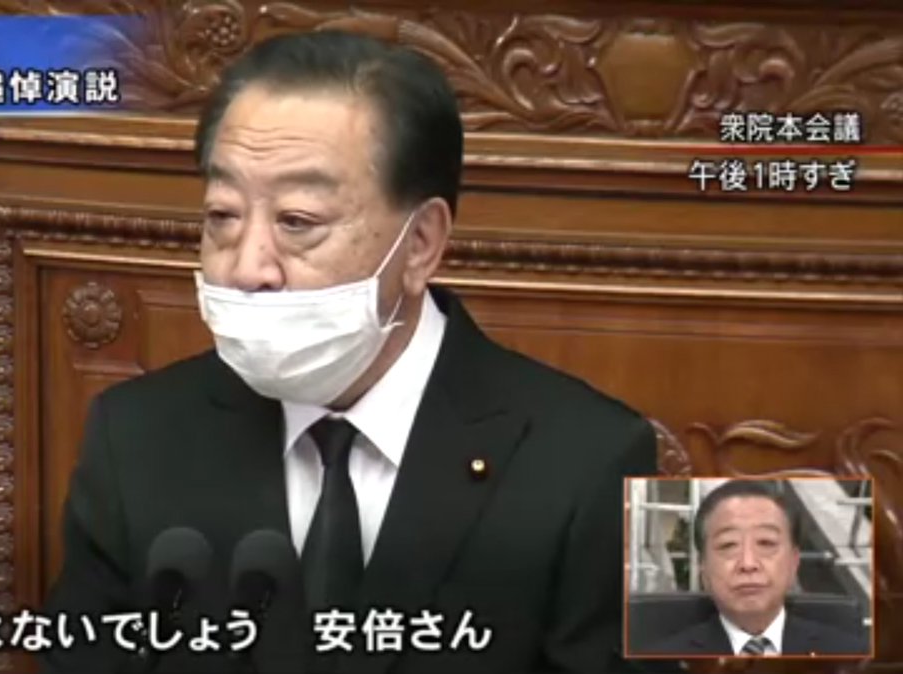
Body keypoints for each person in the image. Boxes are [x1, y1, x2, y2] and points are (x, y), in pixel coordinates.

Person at [40, 30, 658, 674]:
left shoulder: (606, 459)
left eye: (297, 222)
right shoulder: (133, 437)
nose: (248, 268)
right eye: (223, 216)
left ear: (420, 243)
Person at [642, 480, 869, 657]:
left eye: (766, 543)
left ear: (794, 562)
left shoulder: (853, 655)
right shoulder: (659, 662)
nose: (748, 564)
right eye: (728, 545)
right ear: (703, 569)